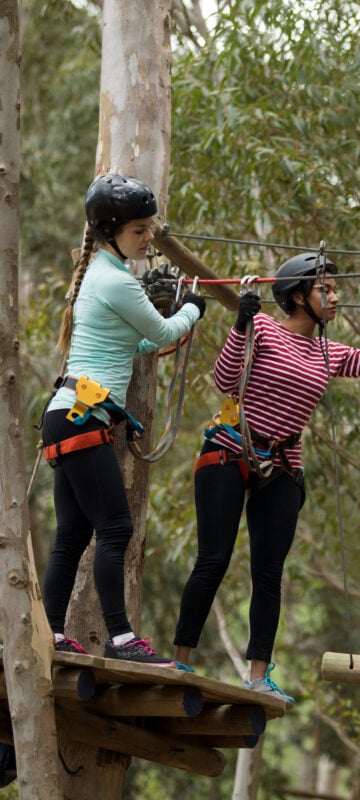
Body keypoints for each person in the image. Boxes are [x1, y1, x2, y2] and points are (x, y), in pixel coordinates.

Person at [172, 251, 360, 701]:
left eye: (335, 289)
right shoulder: (261, 329)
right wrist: (240, 324)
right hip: (230, 450)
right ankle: (181, 660)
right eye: (327, 289)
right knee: (213, 559)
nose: (336, 297)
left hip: (281, 464)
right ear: (298, 297)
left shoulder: (328, 352)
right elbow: (223, 381)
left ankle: (258, 675)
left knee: (269, 572)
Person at [42, 174, 206, 665]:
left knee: (72, 536)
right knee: (115, 529)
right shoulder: (116, 280)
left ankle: (51, 633)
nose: (149, 237)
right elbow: (159, 331)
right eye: (140, 230)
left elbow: (125, 342)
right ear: (112, 231)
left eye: (150, 227)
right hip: (82, 416)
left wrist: (163, 331)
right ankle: (121, 639)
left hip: (68, 415)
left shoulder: (101, 271)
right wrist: (192, 309)